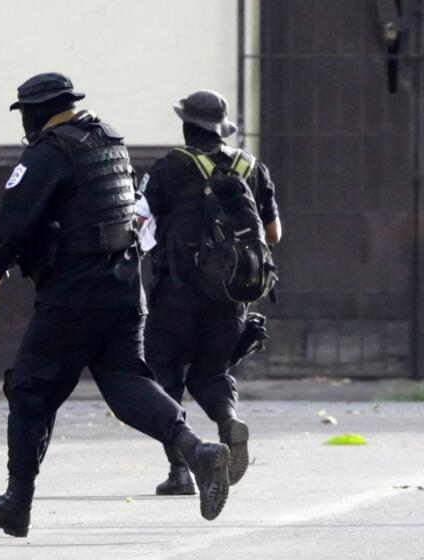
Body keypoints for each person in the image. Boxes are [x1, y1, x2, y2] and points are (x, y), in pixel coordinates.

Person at [0, 73, 232, 537]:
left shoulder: (50, 151)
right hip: (125, 288)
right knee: (127, 382)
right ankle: (196, 449)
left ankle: (16, 504)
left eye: (26, 111)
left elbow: (16, 215)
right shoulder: (108, 141)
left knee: (30, 390)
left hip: (74, 293)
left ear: (39, 110)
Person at [135, 90, 282, 496]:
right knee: (213, 372)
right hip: (233, 294)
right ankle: (228, 421)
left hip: (177, 293)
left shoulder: (170, 167)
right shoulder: (252, 166)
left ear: (186, 126)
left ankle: (181, 472)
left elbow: (138, 217)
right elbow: (273, 234)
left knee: (165, 375)